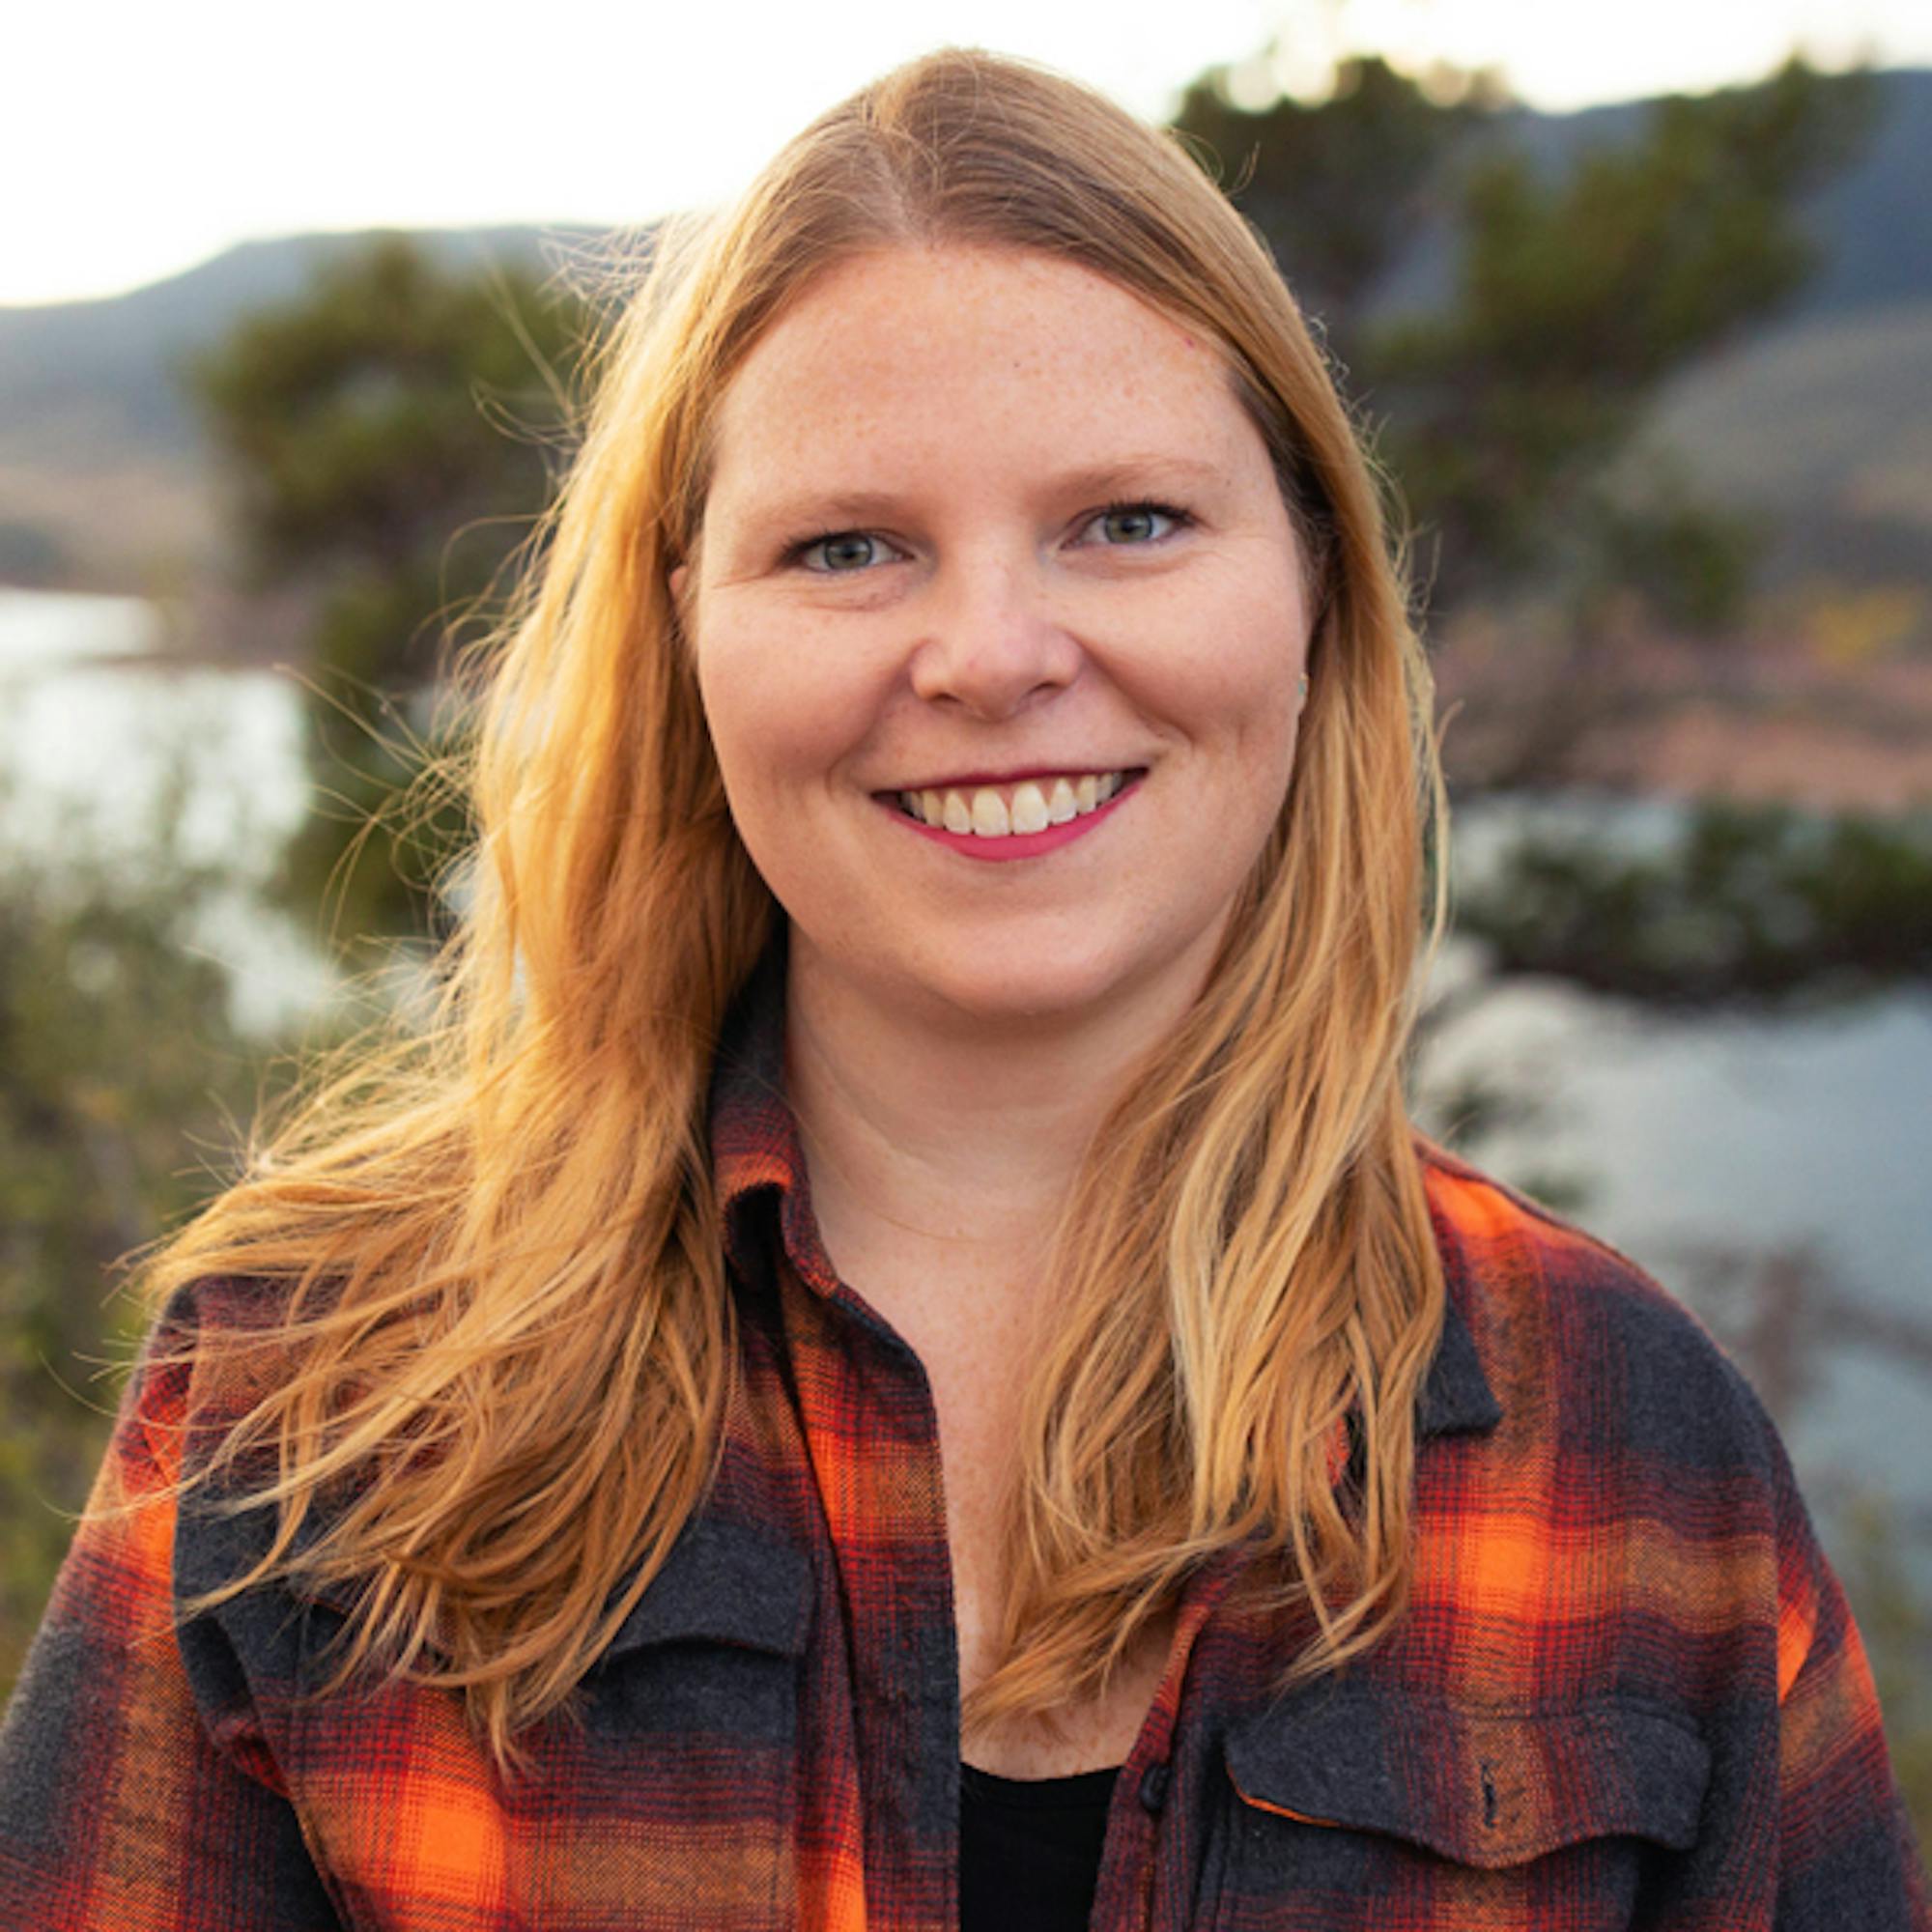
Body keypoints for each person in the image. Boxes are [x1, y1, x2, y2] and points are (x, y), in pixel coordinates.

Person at [1, 46, 1925, 1932]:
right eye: (847, 547)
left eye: (1128, 521)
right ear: (683, 642)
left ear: (1314, 589)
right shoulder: (317, 1399)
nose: (990, 656)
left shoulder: (1634, 1456)